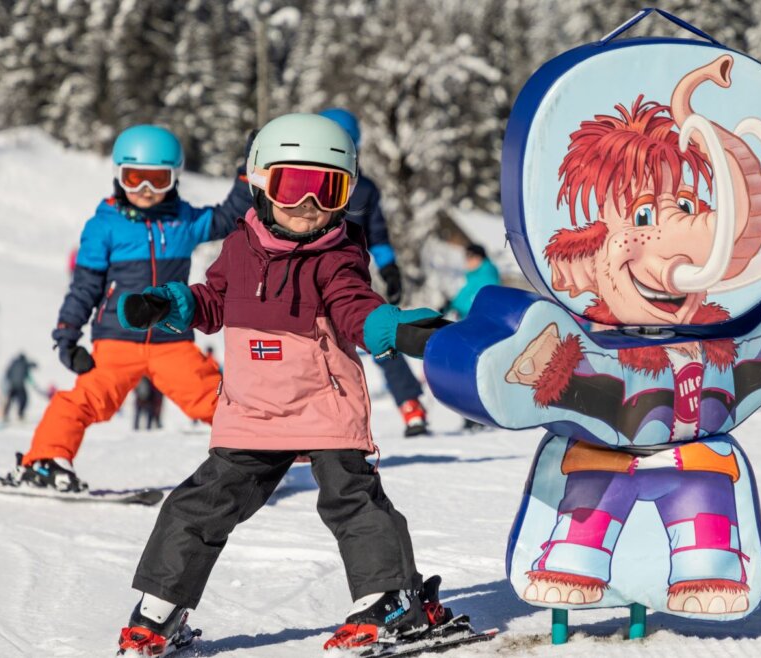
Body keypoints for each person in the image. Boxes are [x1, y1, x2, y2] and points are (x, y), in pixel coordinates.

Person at [112, 114, 451, 656]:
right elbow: (214, 300)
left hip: (324, 406)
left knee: (353, 502)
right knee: (196, 507)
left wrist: (390, 327)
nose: (309, 203)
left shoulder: (338, 256)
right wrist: (172, 303)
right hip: (253, 411)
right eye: (295, 185)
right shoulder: (238, 248)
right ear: (261, 182)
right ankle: (158, 611)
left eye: (328, 188)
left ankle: (389, 600)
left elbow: (354, 308)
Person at [0, 124, 253, 492]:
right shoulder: (104, 227)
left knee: (215, 397)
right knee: (83, 400)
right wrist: (68, 337)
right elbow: (84, 287)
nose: (146, 191)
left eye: (157, 180)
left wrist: (248, 172)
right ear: (119, 177)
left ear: (175, 178)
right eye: (135, 179)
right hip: (117, 341)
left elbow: (232, 216)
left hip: (172, 341)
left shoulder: (183, 221)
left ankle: (266, 448)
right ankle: (44, 461)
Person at [318, 108, 431, 437]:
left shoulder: (364, 189)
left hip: (349, 280)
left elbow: (377, 235)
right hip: (306, 280)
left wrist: (390, 269)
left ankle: (411, 405)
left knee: (378, 335)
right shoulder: (302, 183)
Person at [446, 243, 500, 431]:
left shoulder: (486, 276)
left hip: (480, 330)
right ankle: (473, 415)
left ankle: (478, 414)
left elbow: (473, 302)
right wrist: (449, 305)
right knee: (471, 372)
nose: (467, 262)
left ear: (479, 258)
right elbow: (462, 297)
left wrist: (453, 306)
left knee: (475, 371)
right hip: (471, 329)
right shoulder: (475, 277)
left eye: (470, 258)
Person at [2, 353, 36, 422]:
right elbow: (31, 365)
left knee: (10, 399)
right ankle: (20, 414)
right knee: (24, 399)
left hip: (12, 385)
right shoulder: (24, 363)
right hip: (20, 385)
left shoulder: (13, 363)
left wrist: (9, 381)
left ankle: (5, 414)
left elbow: (7, 373)